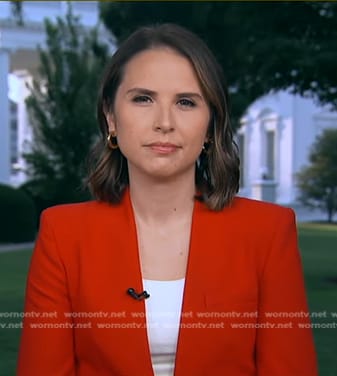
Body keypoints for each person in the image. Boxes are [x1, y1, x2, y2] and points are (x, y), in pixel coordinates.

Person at [17, 23, 318, 376]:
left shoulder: (268, 232)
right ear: (111, 117)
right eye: (143, 98)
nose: (164, 122)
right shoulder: (63, 235)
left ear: (210, 126)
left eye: (186, 102)